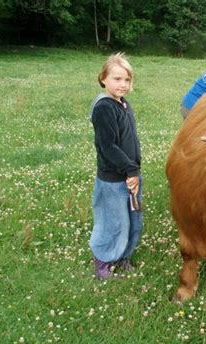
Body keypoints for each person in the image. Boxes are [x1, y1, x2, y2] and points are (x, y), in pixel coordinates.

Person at [88, 52, 143, 280]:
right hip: (113, 179)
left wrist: (134, 171)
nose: (123, 84)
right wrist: (130, 170)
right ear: (103, 79)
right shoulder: (104, 107)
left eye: (127, 79)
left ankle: (122, 257)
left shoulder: (122, 104)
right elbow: (108, 146)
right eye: (117, 79)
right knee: (113, 222)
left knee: (133, 221)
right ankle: (103, 262)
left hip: (130, 176)